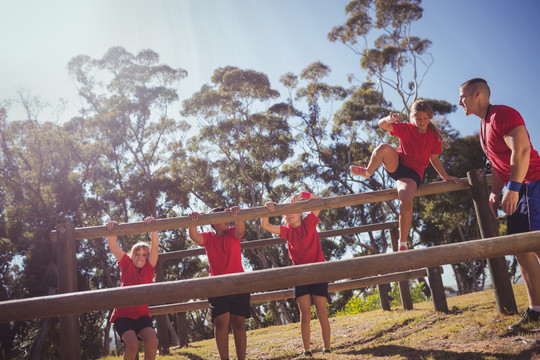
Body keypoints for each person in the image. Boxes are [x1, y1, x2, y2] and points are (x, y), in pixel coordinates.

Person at [459, 78, 540, 329]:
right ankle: (536, 310)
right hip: (518, 187)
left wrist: (513, 188)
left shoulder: (502, 114)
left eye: (462, 96)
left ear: (477, 94)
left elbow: (522, 150)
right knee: (521, 248)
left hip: (534, 184)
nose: (459, 101)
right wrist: (496, 192)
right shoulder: (484, 127)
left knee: (536, 245)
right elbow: (498, 165)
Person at [350, 100, 458, 251]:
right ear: (412, 117)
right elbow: (382, 124)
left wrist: (445, 176)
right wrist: (390, 119)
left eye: (425, 119)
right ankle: (367, 172)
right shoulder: (406, 128)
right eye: (418, 118)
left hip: (412, 174)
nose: (421, 122)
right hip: (397, 163)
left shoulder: (434, 135)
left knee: (406, 200)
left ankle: (402, 244)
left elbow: (434, 159)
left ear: (429, 118)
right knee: (383, 148)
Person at [261, 192, 331, 357]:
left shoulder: (309, 222)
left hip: (318, 271)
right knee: (305, 314)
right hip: (299, 274)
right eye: (286, 213)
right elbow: (265, 225)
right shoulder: (286, 232)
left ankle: (327, 348)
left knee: (321, 310)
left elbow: (320, 201)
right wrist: (267, 206)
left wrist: (303, 195)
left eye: (293, 211)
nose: (289, 215)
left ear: (301, 212)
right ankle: (307, 350)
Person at [188, 206, 250, 360]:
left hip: (238, 283)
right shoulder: (208, 237)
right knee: (221, 322)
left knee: (239, 323)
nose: (227, 221)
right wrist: (194, 220)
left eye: (228, 217)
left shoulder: (232, 233)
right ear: (213, 222)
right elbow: (194, 236)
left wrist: (237, 214)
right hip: (216, 285)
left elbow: (241, 230)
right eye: (223, 217)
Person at [106, 216, 159, 360]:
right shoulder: (126, 264)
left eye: (144, 254)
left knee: (152, 341)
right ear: (132, 255)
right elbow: (113, 245)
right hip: (123, 316)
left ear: (148, 258)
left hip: (142, 315)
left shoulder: (149, 268)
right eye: (136, 254)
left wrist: (152, 227)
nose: (140, 257)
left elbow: (155, 247)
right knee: (132, 344)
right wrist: (113, 228)